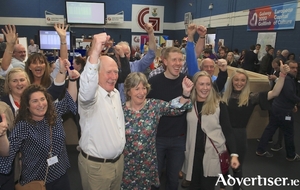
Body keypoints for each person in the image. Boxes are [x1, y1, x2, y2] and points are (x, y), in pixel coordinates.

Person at [0, 62, 80, 189]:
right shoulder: (23, 126)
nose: (40, 104)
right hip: (36, 181)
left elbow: (70, 100)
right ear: (27, 105)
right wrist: (2, 135)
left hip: (61, 175)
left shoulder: (54, 112)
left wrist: (72, 79)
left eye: (43, 99)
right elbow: (7, 153)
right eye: (35, 101)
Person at [221, 61, 289, 190]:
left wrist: (283, 75)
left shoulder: (251, 98)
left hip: (239, 136)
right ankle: (222, 187)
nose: (239, 83)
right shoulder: (223, 98)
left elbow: (274, 93)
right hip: (222, 135)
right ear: (232, 81)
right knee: (223, 165)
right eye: (236, 80)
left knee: (237, 168)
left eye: (242, 80)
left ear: (246, 82)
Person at [121, 72, 193, 189]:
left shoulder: (154, 106)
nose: (142, 92)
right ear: (129, 91)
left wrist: (185, 93)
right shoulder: (120, 110)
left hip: (147, 165)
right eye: (137, 88)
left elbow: (176, 109)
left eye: (144, 88)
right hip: (127, 165)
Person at [77, 32, 125, 190]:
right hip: (97, 168)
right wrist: (95, 51)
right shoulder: (90, 98)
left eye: (116, 72)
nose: (113, 76)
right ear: (96, 74)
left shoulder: (116, 94)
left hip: (117, 163)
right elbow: (86, 86)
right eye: (108, 72)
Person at [182, 71, 240, 190]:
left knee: (207, 187)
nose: (205, 88)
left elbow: (228, 130)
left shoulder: (219, 105)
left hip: (212, 155)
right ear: (195, 85)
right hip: (193, 155)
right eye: (201, 84)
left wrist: (234, 154)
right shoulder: (188, 104)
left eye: (208, 84)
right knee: (194, 187)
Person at [256, 60, 300, 161]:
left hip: (277, 108)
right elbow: (290, 95)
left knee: (270, 129)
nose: (295, 70)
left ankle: (260, 149)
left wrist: (293, 104)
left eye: (296, 68)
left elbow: (285, 95)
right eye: (292, 68)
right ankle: (291, 155)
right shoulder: (288, 80)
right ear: (286, 67)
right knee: (289, 133)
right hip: (284, 111)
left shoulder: (289, 79)